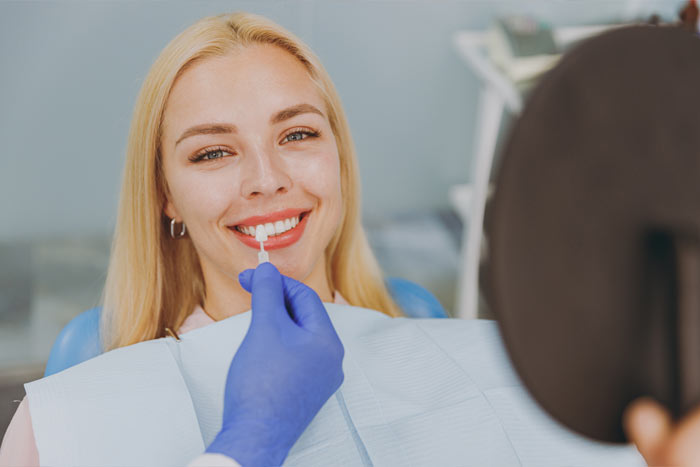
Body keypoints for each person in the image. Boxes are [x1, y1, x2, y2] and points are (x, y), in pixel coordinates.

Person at [0, 11, 401, 465]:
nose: (266, 180)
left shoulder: (420, 326)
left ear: (340, 158)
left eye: (297, 134)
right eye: (213, 152)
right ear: (166, 194)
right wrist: (253, 439)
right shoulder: (73, 401)